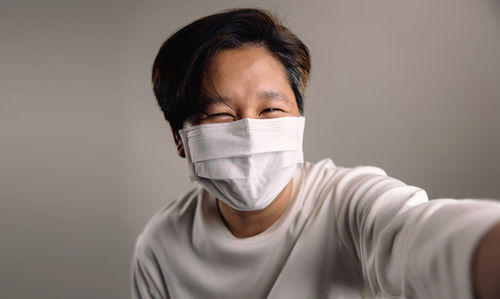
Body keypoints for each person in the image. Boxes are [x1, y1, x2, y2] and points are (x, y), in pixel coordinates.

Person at [131, 8, 500, 299]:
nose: (250, 132)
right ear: (181, 139)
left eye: (271, 111)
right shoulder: (161, 246)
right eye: (221, 114)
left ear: (298, 119)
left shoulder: (349, 207)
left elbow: (421, 235)